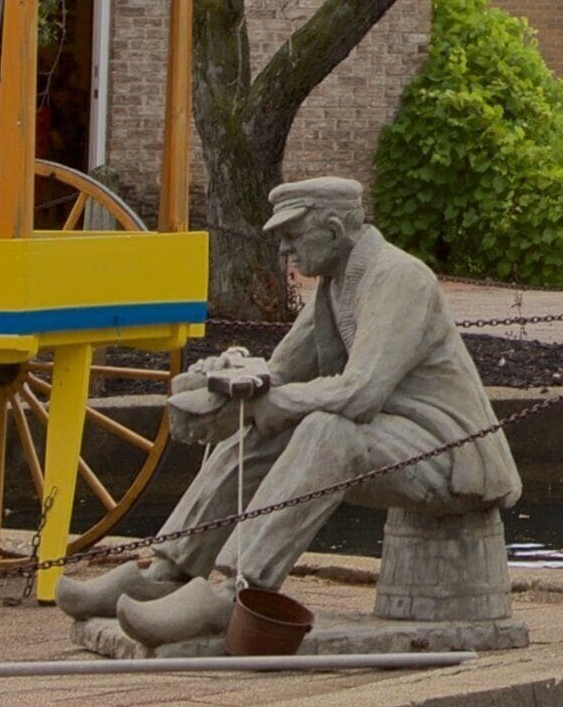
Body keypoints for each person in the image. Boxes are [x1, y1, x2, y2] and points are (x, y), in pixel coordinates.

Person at [60, 176, 521, 645]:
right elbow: (280, 373)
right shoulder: (335, 283)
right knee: (263, 427)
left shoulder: (397, 278)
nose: (284, 251)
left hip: (450, 454)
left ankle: (234, 593)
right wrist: (226, 381)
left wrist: (273, 403)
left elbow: (361, 395)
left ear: (336, 230)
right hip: (393, 439)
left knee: (326, 430)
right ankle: (168, 573)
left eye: (293, 236)